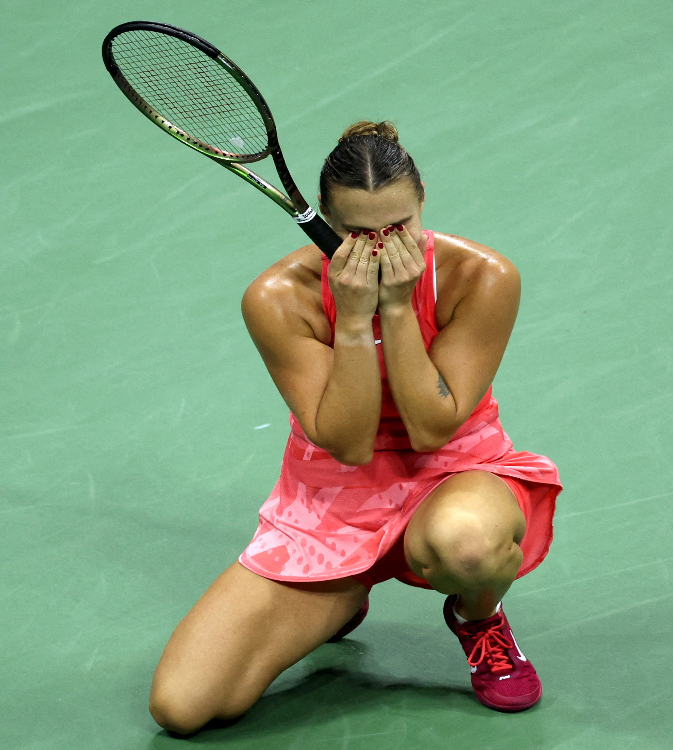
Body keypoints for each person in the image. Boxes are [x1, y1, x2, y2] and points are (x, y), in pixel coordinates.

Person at [147, 121, 561, 735]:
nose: (381, 247)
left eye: (399, 228)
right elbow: (347, 441)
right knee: (184, 707)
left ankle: (479, 619)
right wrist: (352, 318)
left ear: (423, 203)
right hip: (333, 498)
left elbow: (430, 429)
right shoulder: (278, 298)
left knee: (469, 548)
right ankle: (346, 587)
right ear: (326, 226)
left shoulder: (484, 277)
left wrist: (396, 308)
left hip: (453, 472)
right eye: (358, 233)